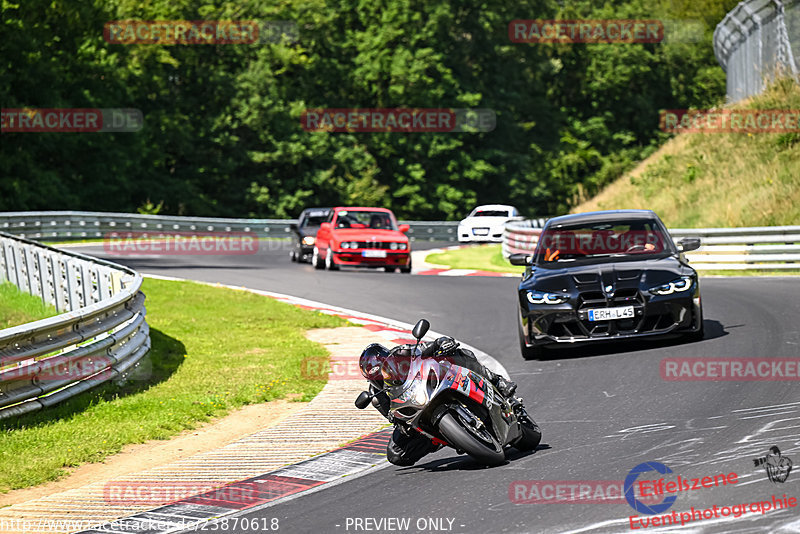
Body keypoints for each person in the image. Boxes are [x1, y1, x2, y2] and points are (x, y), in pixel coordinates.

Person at [358, 337, 518, 466]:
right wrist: (398, 421)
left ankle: (497, 382)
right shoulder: (377, 397)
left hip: (431, 383)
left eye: (384, 370)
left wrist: (441, 343)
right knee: (395, 454)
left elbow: (425, 346)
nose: (384, 377)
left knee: (458, 353)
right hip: (414, 409)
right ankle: (437, 438)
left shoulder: (402, 352)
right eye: (377, 377)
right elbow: (391, 415)